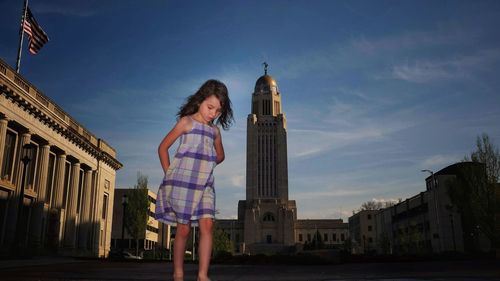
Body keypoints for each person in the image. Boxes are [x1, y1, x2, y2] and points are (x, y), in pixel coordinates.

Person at [155, 79, 234, 281]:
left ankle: (202, 275)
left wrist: (206, 164)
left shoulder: (215, 131)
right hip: (183, 182)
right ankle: (178, 273)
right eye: (210, 107)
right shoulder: (186, 122)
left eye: (217, 111)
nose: (212, 114)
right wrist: (169, 175)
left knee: (207, 225)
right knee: (183, 229)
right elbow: (162, 148)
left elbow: (221, 156)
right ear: (200, 100)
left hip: (205, 184)